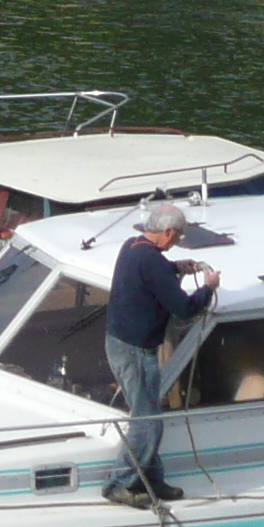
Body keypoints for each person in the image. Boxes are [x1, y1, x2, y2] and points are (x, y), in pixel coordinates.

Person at [103, 199, 219, 505]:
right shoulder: (152, 262)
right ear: (167, 232)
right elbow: (183, 309)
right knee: (147, 422)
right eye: (178, 237)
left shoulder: (132, 247)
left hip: (119, 344)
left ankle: (151, 480)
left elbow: (151, 272)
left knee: (150, 417)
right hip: (136, 353)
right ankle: (119, 483)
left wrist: (174, 268)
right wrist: (208, 288)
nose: (177, 242)